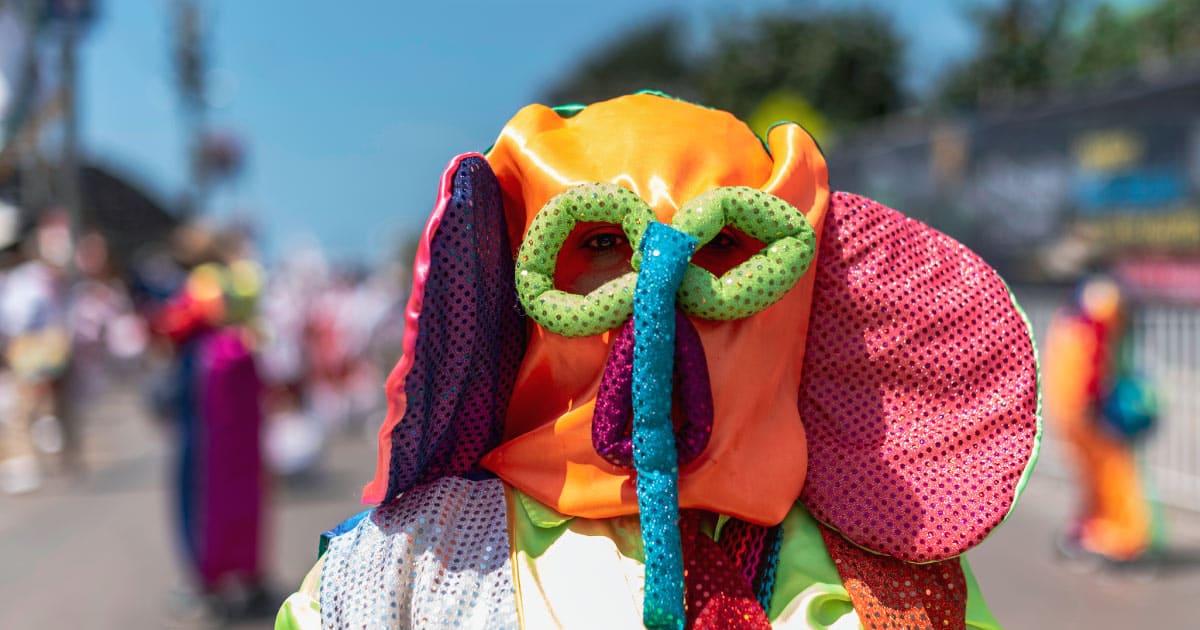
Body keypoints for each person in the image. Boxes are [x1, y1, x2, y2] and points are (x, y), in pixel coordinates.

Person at [277, 93, 1041, 629]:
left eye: (723, 245)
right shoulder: (401, 567)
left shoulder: (891, 574)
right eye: (601, 245)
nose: (658, 291)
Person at [152, 222, 272, 618]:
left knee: (202, 484)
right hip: (237, 386)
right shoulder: (244, 287)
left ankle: (209, 580)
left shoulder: (199, 290)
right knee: (244, 481)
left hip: (210, 391)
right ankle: (248, 573)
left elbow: (168, 327)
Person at [1043, 274, 1157, 565]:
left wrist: (1092, 401)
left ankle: (1123, 536)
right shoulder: (1089, 315)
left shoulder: (1090, 313)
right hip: (1079, 409)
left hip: (1086, 409)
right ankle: (1099, 528)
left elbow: (1092, 363)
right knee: (1098, 472)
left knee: (1110, 471)